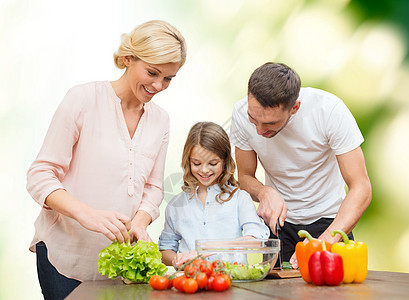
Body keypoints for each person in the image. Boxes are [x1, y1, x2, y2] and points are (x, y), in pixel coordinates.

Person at [26, 20, 186, 299]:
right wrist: (86, 214)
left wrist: (140, 222)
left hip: (120, 266)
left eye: (169, 78)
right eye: (152, 72)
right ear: (127, 59)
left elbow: (153, 188)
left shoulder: (160, 120)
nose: (159, 85)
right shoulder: (83, 99)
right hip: (66, 258)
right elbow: (40, 175)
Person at [230, 62, 372, 268]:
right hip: (278, 225)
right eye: (254, 119)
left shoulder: (329, 110)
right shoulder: (241, 113)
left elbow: (361, 187)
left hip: (331, 222)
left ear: (294, 108)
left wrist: (327, 240)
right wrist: (264, 192)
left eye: (270, 123)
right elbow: (244, 177)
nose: (259, 131)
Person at [158, 121, 270, 267]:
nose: (204, 170)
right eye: (197, 163)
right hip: (191, 281)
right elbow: (165, 249)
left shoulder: (239, 198)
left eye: (212, 163)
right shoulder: (176, 205)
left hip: (230, 282)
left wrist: (211, 248)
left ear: (224, 161)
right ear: (188, 161)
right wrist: (176, 259)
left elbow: (257, 238)